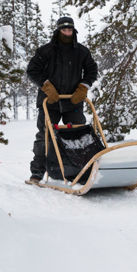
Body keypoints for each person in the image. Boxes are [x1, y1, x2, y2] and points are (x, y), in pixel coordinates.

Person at [25, 16, 98, 184]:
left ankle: (82, 169)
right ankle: (37, 171)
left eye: (70, 30)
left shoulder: (81, 51)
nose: (67, 33)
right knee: (45, 136)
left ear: (74, 31)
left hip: (73, 101)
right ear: (58, 31)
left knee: (79, 135)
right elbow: (32, 70)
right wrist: (46, 86)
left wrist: (83, 86)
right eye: (64, 30)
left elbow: (92, 70)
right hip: (49, 101)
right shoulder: (45, 51)